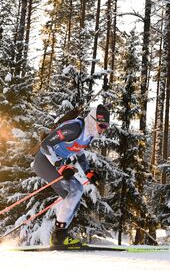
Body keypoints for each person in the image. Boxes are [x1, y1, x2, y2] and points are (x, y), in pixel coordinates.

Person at [32, 104, 110, 248]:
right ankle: (58, 237)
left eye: (106, 127)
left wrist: (88, 171)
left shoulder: (90, 136)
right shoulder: (74, 128)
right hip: (44, 161)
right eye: (102, 125)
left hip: (55, 163)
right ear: (93, 120)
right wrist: (60, 166)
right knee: (76, 188)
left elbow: (79, 152)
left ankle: (60, 236)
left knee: (74, 198)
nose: (103, 130)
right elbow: (45, 144)